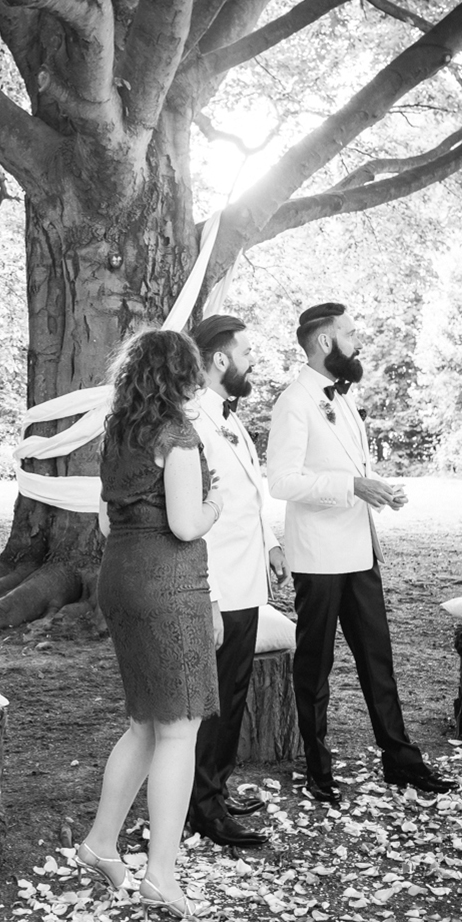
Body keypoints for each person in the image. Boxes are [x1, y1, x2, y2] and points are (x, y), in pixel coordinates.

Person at [267, 302, 457, 799]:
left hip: (360, 550)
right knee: (316, 668)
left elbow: (351, 471)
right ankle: (318, 769)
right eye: (350, 334)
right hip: (319, 557)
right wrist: (352, 485)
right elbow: (282, 482)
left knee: (379, 661)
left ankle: (401, 760)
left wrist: (378, 491)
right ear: (325, 341)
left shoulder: (345, 399)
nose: (357, 342)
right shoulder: (293, 401)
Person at [76, 329, 221, 921]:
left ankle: (100, 844)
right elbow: (187, 525)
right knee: (178, 731)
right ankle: (161, 874)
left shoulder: (118, 435)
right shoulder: (176, 437)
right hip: (167, 585)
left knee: (143, 724)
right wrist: (220, 505)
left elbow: (110, 524)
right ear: (183, 376)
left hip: (122, 579)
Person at [184, 314, 287, 848]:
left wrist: (270, 543)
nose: (251, 361)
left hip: (249, 578)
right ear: (220, 359)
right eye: (246, 352)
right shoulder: (193, 421)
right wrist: (212, 597)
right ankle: (201, 807)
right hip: (218, 584)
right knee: (214, 700)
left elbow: (250, 492)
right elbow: (192, 519)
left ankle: (215, 789)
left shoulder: (230, 417)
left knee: (235, 692)